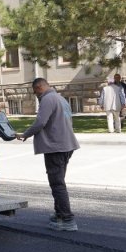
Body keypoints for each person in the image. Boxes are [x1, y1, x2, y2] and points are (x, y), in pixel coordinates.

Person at [16, 78, 80, 231]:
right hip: (66, 145)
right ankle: (59, 214)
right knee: (59, 181)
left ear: (39, 88)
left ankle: (68, 219)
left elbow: (40, 122)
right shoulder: (60, 98)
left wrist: (25, 134)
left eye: (35, 92)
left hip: (55, 147)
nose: (36, 95)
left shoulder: (47, 99)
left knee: (57, 184)